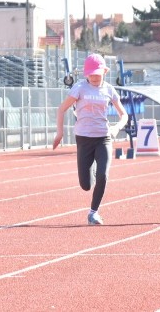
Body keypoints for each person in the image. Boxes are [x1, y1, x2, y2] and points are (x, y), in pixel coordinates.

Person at [53, 54, 128, 225]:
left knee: (103, 175)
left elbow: (124, 115)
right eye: (91, 74)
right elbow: (61, 109)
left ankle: (93, 212)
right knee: (86, 185)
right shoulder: (79, 88)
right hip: (84, 139)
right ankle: (91, 172)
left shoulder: (109, 90)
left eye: (98, 74)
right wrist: (59, 133)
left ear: (104, 72)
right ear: (86, 74)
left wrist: (116, 128)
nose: (94, 77)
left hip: (103, 138)